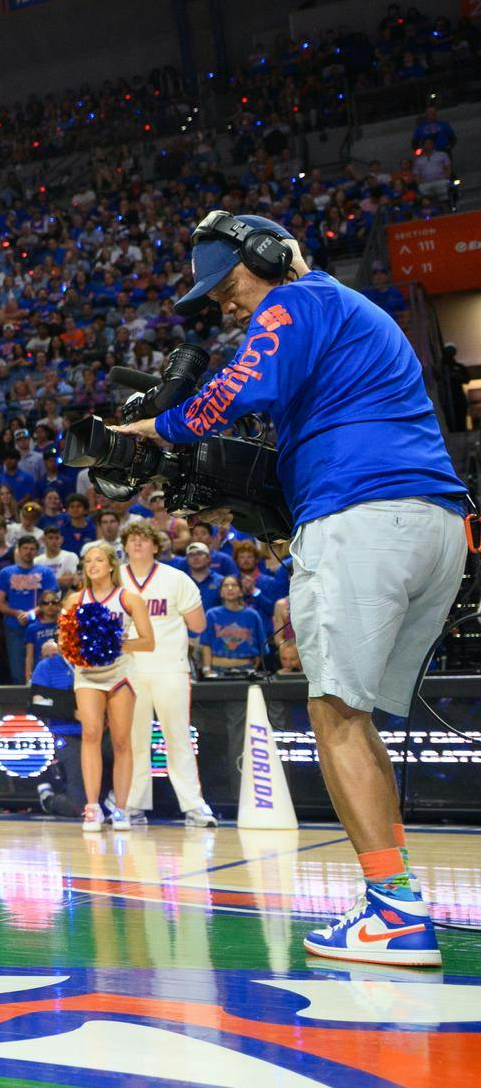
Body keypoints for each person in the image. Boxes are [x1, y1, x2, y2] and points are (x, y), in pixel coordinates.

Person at [115, 210, 470, 965]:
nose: (226, 304)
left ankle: (397, 912)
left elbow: (235, 388)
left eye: (229, 285)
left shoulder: (296, 302)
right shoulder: (344, 315)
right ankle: (392, 896)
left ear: (270, 257)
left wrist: (161, 428)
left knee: (332, 713)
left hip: (364, 514)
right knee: (354, 715)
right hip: (435, 522)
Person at [100, 519, 215, 826]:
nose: (137, 543)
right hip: (127, 671)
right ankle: (133, 805)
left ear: (156, 546)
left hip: (169, 668)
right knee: (131, 740)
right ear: (123, 547)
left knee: (177, 737)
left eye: (143, 539)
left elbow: (199, 626)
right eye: (131, 539)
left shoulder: (176, 579)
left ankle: (194, 805)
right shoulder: (112, 579)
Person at [63, 543, 158, 828]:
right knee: (90, 734)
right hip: (88, 674)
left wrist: (112, 643)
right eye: (88, 561)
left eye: (99, 560)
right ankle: (92, 807)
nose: (92, 565)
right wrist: (76, 648)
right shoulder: (74, 600)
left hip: (120, 673)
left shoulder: (129, 598)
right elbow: (64, 641)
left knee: (120, 741)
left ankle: (121, 809)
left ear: (111, 566)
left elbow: (148, 642)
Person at [0, 534, 58, 684]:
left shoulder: (45, 572)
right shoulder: (6, 573)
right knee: (17, 670)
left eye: (32, 549)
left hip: (42, 626)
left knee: (44, 666)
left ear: (36, 552)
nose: (28, 552)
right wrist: (17, 613)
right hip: (14, 627)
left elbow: (52, 598)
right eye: (25, 548)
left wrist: (32, 613)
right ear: (19, 550)